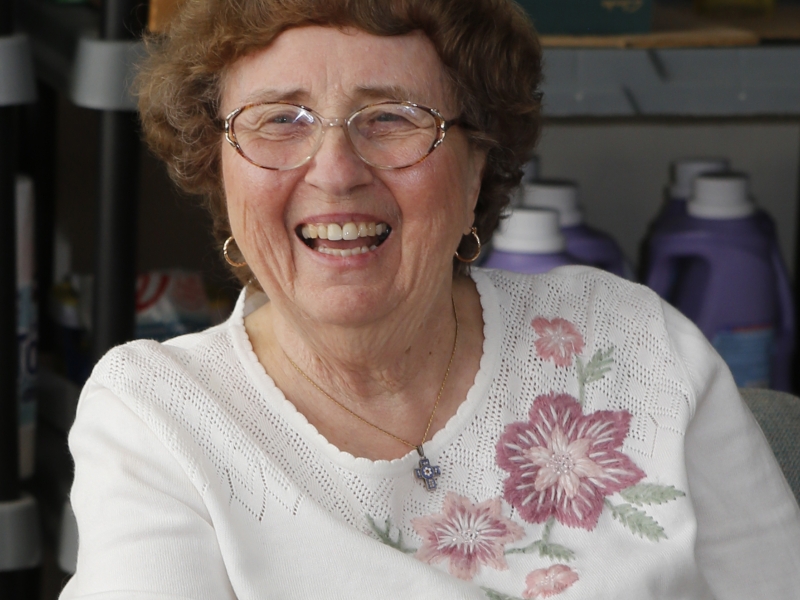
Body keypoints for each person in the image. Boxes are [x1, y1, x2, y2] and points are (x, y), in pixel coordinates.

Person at [61, 0, 800, 598]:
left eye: (390, 117)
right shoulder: (161, 417)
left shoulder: (635, 344)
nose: (336, 171)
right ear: (216, 164)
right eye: (280, 119)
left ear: (479, 163)